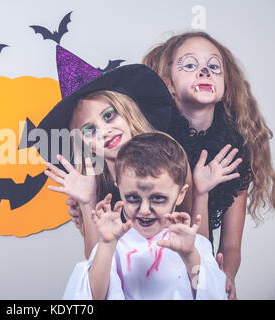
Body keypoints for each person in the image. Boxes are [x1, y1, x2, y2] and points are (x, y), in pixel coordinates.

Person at [40, 45, 240, 260]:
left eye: (109, 116)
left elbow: (196, 244)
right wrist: (86, 202)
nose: (105, 131)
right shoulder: (90, 182)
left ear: (128, 111)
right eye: (90, 130)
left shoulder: (169, 157)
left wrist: (200, 192)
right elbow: (94, 268)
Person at [142, 31, 275, 299]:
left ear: (226, 82)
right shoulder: (151, 142)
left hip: (197, 270)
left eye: (213, 67)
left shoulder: (234, 150)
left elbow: (230, 245)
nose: (204, 72)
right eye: (190, 65)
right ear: (168, 83)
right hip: (148, 272)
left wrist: (226, 276)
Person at [63, 132, 227, 300]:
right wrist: (106, 245)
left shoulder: (194, 244)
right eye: (133, 198)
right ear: (119, 188)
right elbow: (91, 298)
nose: (144, 210)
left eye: (158, 198)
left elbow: (211, 294)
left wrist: (190, 256)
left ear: (180, 194)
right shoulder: (113, 242)